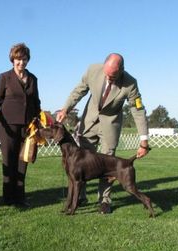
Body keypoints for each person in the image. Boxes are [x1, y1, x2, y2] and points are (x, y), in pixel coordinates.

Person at [56, 53, 149, 214]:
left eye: (113, 76)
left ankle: (104, 201)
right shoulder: (93, 70)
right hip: (89, 123)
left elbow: (138, 111)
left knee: (108, 164)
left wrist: (144, 140)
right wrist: (66, 108)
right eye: (107, 74)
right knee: (81, 163)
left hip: (110, 126)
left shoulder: (130, 83)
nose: (109, 78)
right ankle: (80, 197)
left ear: (121, 70)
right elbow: (78, 91)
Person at [0, 43, 41, 207]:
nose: (21, 62)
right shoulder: (4, 77)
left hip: (28, 126)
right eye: (18, 59)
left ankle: (20, 197)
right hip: (8, 125)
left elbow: (36, 101)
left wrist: (39, 119)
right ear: (12, 59)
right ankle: (8, 198)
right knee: (9, 161)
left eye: (24, 59)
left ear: (28, 60)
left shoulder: (33, 79)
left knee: (23, 160)